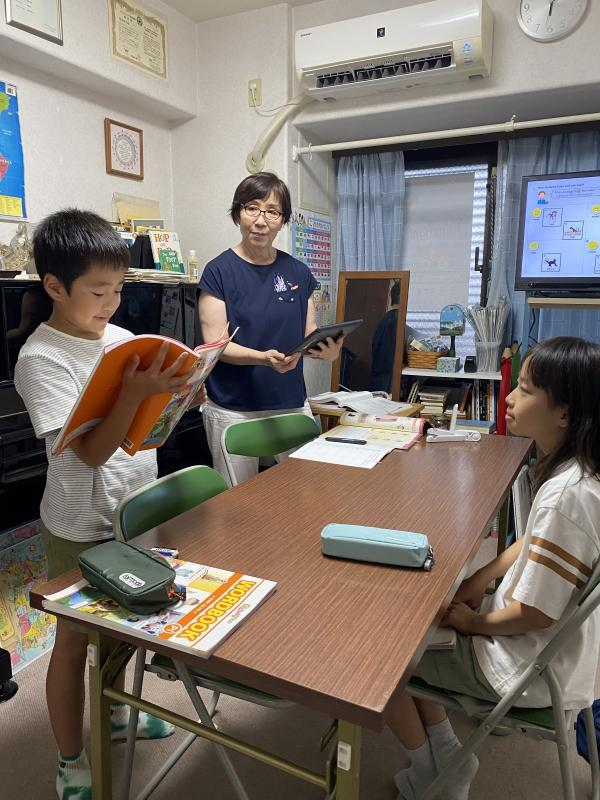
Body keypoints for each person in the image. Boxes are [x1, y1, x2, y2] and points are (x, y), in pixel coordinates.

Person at [14, 209, 201, 800]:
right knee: (72, 643)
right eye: (98, 291)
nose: (111, 304)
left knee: (125, 622)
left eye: (119, 290)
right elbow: (90, 454)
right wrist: (137, 394)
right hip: (79, 522)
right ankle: (71, 759)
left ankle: (117, 715)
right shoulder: (40, 360)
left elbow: (147, 436)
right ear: (54, 287)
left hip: (134, 509)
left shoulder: (123, 341)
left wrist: (175, 397)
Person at [387, 336, 600, 800]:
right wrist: (481, 577)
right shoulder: (579, 474)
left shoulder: (567, 497)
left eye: (524, 390)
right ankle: (446, 753)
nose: (509, 397)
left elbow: (536, 614)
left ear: (563, 412)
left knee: (381, 657)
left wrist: (475, 623)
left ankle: (435, 771)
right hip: (550, 651)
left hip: (525, 661)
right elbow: (531, 543)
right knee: (418, 614)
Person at [198, 172, 342, 484]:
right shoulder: (218, 271)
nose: (261, 220)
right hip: (233, 406)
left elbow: (309, 331)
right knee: (238, 501)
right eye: (252, 208)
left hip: (289, 401)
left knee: (305, 491)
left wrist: (327, 351)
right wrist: (263, 358)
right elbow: (216, 344)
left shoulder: (298, 272)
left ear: (283, 219)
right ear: (238, 213)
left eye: (272, 211)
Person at [369, 281, 419, 393]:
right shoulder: (395, 321)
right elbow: (390, 359)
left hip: (381, 379)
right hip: (385, 384)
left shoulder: (389, 319)